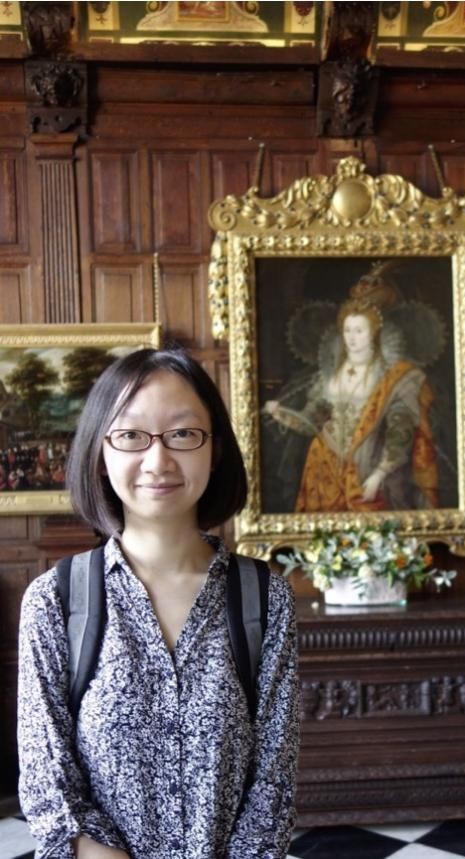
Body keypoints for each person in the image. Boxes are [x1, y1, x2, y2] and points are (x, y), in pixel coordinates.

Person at [17, 347, 300, 859]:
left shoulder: (263, 598)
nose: (158, 460)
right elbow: (48, 783)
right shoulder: (56, 601)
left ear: (215, 450)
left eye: (183, 434)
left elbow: (272, 788)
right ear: (100, 453)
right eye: (131, 435)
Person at [265, 270, 439, 512]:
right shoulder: (330, 375)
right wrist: (280, 413)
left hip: (368, 468)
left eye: (359, 330)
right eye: (347, 330)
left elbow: (400, 433)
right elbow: (312, 422)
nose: (352, 338)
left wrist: (379, 474)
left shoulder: (392, 378)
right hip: (322, 469)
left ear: (374, 333)